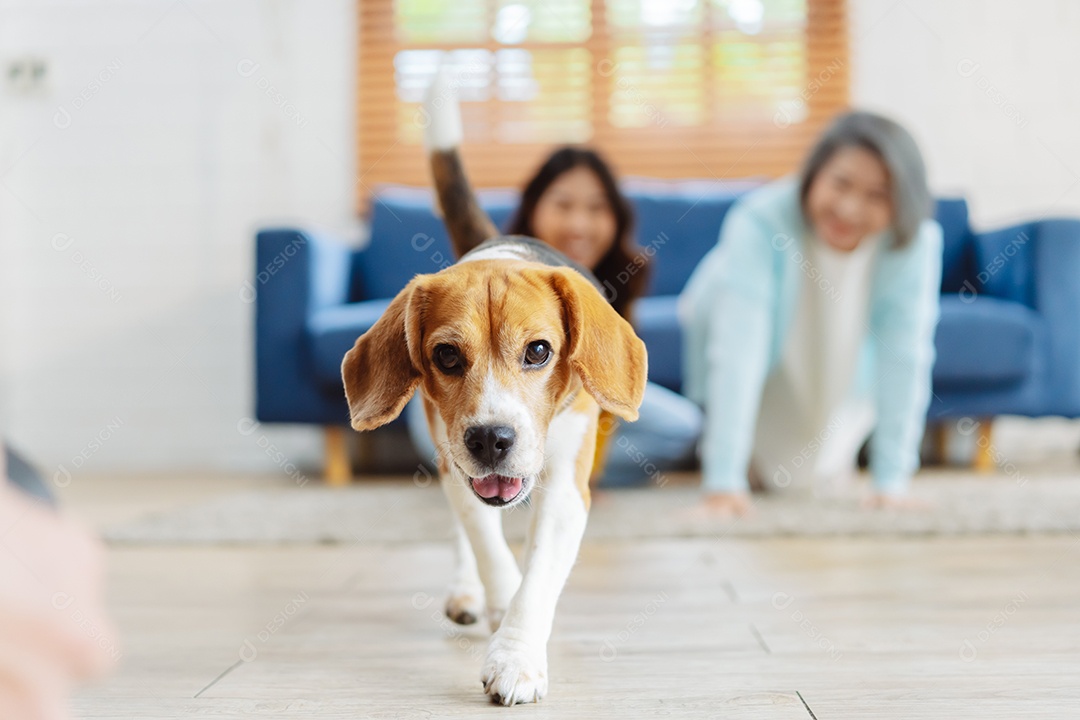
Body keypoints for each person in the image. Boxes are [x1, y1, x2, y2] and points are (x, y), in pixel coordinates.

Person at [681, 111, 942, 516]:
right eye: (841, 183)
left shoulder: (915, 243)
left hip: (837, 365)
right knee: (759, 463)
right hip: (739, 325)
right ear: (814, 173)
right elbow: (738, 350)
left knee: (806, 474)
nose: (850, 208)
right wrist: (723, 481)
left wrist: (891, 480)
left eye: (878, 195)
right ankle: (736, 456)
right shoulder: (760, 219)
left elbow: (905, 356)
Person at [407, 147, 703, 486]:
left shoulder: (619, 277)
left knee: (681, 428)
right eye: (563, 205)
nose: (578, 224)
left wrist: (578, 471)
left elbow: (604, 394)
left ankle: (545, 475)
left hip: (559, 415)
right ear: (534, 208)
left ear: (617, 218)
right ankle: (508, 472)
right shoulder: (492, 268)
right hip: (468, 402)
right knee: (427, 431)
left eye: (596, 208)